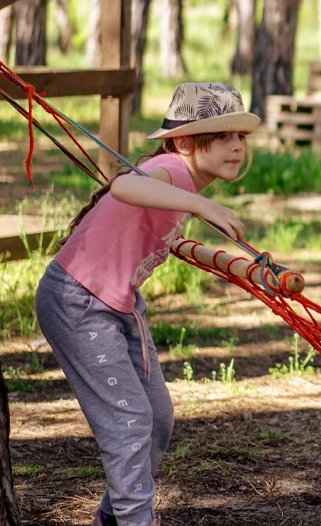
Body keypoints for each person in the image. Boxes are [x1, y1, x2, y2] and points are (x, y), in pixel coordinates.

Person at [34, 83, 258, 526]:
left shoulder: (179, 182)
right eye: (222, 135)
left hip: (118, 305)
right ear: (183, 142)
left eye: (240, 136)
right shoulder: (170, 171)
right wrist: (201, 205)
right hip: (77, 301)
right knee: (131, 419)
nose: (236, 146)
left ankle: (114, 517)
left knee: (156, 418)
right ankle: (137, 520)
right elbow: (124, 188)